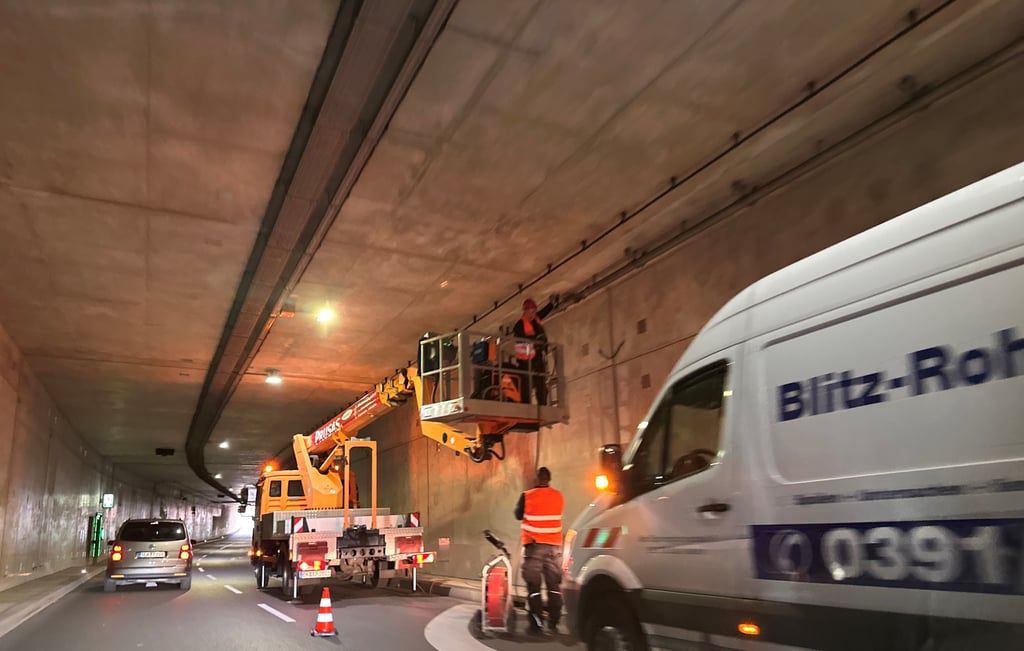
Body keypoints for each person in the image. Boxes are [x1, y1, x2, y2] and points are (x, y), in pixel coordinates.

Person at [514, 466, 565, 635]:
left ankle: (536, 625)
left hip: (535, 548)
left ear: (537, 479)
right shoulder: (558, 496)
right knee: (554, 588)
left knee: (534, 589)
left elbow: (518, 514)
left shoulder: (527, 496)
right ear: (549, 479)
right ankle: (554, 623)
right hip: (554, 549)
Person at [512, 297, 556, 405]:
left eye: (534, 311)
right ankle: (526, 405)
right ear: (525, 311)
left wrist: (552, 304)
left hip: (537, 357)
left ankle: (542, 404)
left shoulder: (536, 320)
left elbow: (543, 313)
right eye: (530, 312)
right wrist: (534, 340)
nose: (532, 314)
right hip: (525, 360)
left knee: (541, 383)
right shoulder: (519, 325)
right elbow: (520, 339)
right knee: (526, 383)